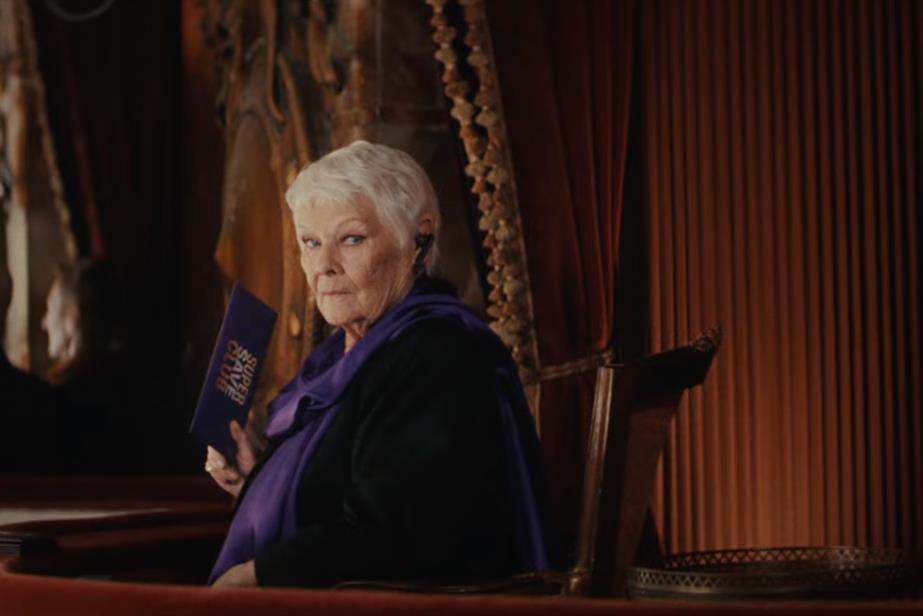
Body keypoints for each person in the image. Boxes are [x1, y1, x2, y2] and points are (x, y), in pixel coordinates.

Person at [205, 140, 550, 588]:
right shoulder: (339, 356)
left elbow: (393, 534)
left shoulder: (439, 352)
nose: (323, 266)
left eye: (351, 239)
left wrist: (253, 578)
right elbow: (347, 489)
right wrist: (259, 481)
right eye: (310, 242)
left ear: (417, 240)